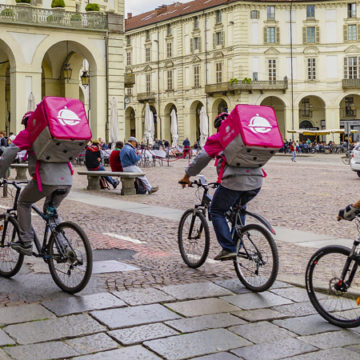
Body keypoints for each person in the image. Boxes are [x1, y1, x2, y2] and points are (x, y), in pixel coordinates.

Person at [179, 112, 264, 261]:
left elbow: (201, 159)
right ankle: (237, 243)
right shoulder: (244, 134)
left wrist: (187, 176)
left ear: (218, 126)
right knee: (239, 208)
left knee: (216, 210)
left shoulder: (219, 138)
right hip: (256, 181)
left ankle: (229, 248)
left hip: (233, 181)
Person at [0, 112, 72, 255]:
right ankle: (66, 249)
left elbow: (8, 154)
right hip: (67, 180)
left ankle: (26, 242)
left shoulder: (29, 133)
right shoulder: (54, 132)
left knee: (23, 203)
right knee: (51, 212)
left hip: (47, 180)